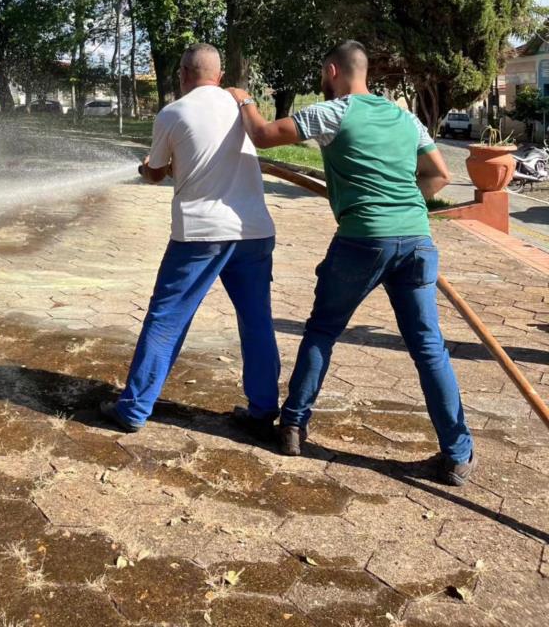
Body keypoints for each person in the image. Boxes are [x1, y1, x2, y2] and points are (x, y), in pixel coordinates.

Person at [228, 40, 476, 486]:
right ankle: (457, 455)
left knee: (323, 329)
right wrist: (399, 207)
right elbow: (441, 174)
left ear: (332, 71)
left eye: (323, 76)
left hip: (362, 241)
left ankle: (292, 426)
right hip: (417, 240)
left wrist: (242, 98)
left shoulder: (334, 112)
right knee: (428, 347)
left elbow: (262, 134)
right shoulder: (407, 119)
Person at [100, 42, 280, 437]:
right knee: (256, 323)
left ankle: (133, 409)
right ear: (218, 76)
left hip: (199, 234)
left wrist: (146, 169)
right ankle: (264, 410)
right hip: (253, 232)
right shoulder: (242, 107)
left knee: (166, 320)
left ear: (183, 74)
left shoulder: (173, 112)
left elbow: (157, 172)